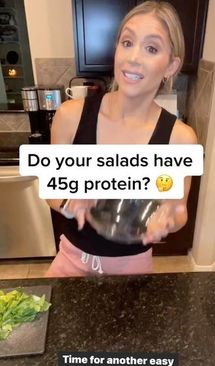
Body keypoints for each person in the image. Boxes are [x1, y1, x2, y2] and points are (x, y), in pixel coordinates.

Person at [45, 0, 197, 277]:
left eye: (151, 48)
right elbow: (51, 192)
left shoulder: (180, 139)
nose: (133, 57)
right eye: (127, 42)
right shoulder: (70, 116)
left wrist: (167, 218)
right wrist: (69, 202)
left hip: (133, 270)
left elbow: (179, 211)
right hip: (69, 262)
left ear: (171, 66)